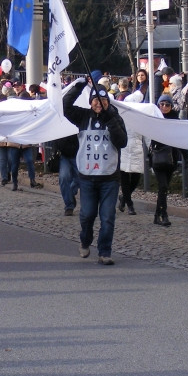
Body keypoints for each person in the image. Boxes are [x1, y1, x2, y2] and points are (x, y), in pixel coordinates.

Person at [63, 78, 128, 265]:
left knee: (107, 217)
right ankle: (85, 240)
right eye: (95, 101)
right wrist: (79, 86)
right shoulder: (83, 116)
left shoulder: (115, 118)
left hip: (109, 179)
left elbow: (122, 142)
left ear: (108, 102)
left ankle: (104, 252)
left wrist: (111, 121)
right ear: (90, 102)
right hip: (87, 177)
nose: (99, 104)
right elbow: (65, 106)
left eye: (103, 101)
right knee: (87, 214)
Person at [149, 93, 180, 226]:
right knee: (163, 186)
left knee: (164, 188)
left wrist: (186, 156)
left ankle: (157, 215)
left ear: (171, 106)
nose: (164, 107)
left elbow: (181, 139)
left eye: (167, 104)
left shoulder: (175, 120)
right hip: (158, 158)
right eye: (162, 104)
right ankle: (164, 214)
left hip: (171, 158)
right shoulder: (155, 120)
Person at [54, 133, 79, 216]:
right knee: (64, 177)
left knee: (80, 178)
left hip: (78, 153)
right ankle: (69, 206)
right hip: (64, 154)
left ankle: (71, 193)